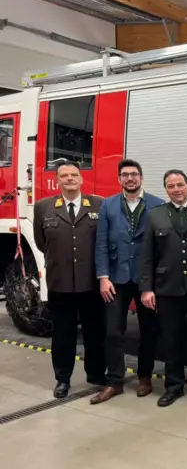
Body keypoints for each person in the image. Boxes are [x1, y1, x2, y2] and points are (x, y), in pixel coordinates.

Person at [139, 169, 187, 407]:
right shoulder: (155, 215)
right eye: (171, 186)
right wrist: (146, 288)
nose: (176, 189)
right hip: (167, 289)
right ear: (166, 190)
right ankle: (173, 386)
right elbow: (147, 256)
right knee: (170, 340)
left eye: (180, 185)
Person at [91, 159, 165, 404]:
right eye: (125, 175)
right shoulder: (108, 205)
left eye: (134, 174)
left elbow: (161, 247)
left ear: (141, 178)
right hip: (116, 279)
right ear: (119, 179)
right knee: (113, 332)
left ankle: (145, 376)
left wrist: (154, 282)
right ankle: (114, 382)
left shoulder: (157, 205)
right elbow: (100, 243)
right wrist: (103, 277)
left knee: (149, 331)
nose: (130, 178)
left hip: (146, 281)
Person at [33, 160, 106, 398]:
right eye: (64, 175)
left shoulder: (98, 204)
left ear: (81, 179)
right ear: (58, 180)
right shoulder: (44, 207)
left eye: (74, 174)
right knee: (63, 334)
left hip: (91, 283)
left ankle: (96, 374)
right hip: (60, 282)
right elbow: (41, 242)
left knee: (95, 332)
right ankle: (62, 379)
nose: (70, 179)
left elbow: (103, 242)